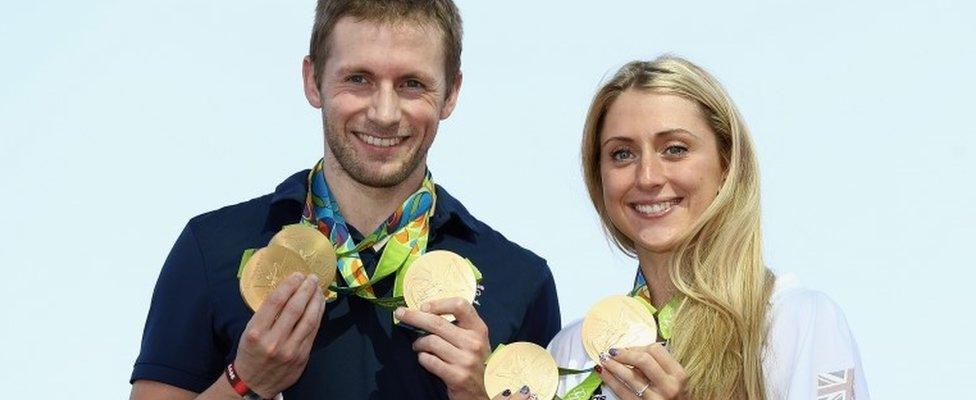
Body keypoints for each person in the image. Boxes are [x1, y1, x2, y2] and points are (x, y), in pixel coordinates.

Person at [129, 1, 560, 399]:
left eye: (412, 84)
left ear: (450, 93)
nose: (384, 113)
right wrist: (245, 381)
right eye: (359, 79)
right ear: (312, 81)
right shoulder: (211, 247)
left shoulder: (522, 282)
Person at [547, 56, 869, 400]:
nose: (648, 177)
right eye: (622, 154)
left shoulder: (800, 322)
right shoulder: (571, 352)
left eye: (674, 149)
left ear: (726, 166)